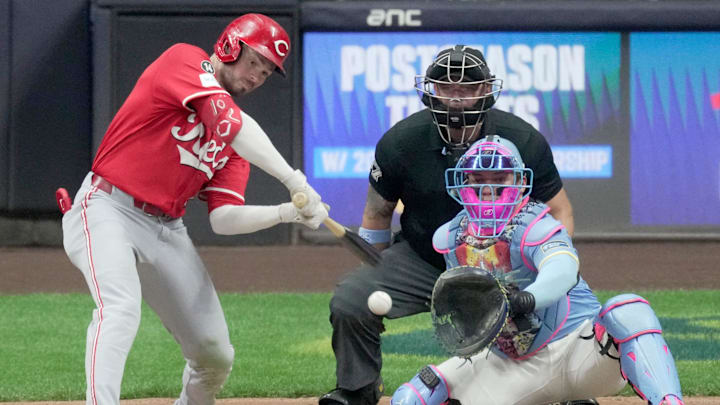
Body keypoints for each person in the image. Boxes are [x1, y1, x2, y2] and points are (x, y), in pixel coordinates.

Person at [61, 14, 328, 405]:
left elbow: (223, 219)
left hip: (166, 228)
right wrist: (294, 180)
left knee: (215, 354)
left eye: (267, 71)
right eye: (254, 61)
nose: (257, 75)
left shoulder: (236, 144)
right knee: (120, 306)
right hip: (106, 207)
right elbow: (230, 122)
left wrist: (287, 212)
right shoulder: (183, 60)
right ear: (230, 45)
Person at [319, 45, 580, 405]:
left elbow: (558, 210)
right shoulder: (401, 142)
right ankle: (358, 389)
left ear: (487, 90)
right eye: (445, 87)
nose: (456, 99)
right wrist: (373, 275)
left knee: (562, 301)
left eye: (467, 88)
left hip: (504, 264)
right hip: (425, 258)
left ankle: (567, 389)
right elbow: (378, 213)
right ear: (430, 91)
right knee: (352, 298)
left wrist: (545, 265)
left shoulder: (522, 139)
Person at [390, 136, 684, 405]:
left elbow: (563, 269)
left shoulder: (535, 225)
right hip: (511, 364)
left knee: (628, 310)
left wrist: (525, 299)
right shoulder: (449, 239)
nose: (488, 190)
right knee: (413, 395)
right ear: (463, 184)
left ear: (518, 181)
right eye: (478, 180)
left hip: (576, 350)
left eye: (499, 180)